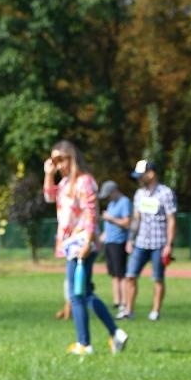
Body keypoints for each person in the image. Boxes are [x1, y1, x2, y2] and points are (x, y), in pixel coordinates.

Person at [43, 141, 128, 356]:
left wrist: (88, 241)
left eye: (61, 159)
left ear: (71, 158)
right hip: (70, 242)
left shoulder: (85, 181)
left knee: (75, 294)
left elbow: (92, 213)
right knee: (85, 292)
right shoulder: (64, 184)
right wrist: (48, 174)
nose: (58, 164)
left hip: (81, 242)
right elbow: (48, 196)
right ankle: (116, 333)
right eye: (54, 160)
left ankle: (84, 343)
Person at [124, 159, 177, 321]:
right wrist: (130, 239)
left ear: (151, 174)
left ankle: (155, 312)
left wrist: (169, 244)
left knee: (157, 278)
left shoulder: (166, 193)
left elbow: (171, 220)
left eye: (141, 175)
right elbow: (136, 218)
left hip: (159, 243)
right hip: (141, 242)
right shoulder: (139, 194)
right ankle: (128, 310)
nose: (139, 179)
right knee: (130, 275)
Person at [98, 180, 131, 319]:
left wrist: (110, 219)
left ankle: (124, 302)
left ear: (114, 191)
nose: (107, 198)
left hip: (119, 242)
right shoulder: (111, 204)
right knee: (113, 274)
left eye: (108, 195)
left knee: (121, 274)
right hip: (109, 242)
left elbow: (126, 222)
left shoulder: (125, 202)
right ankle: (116, 302)